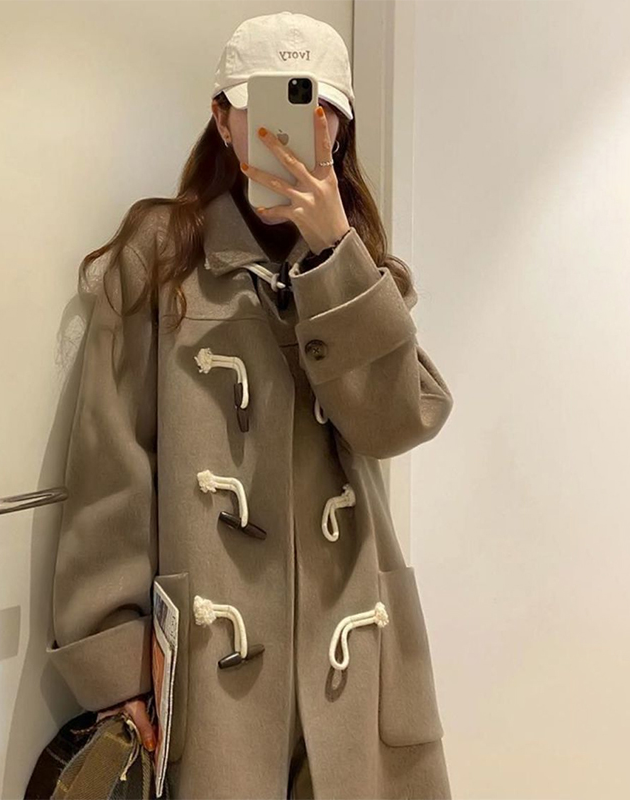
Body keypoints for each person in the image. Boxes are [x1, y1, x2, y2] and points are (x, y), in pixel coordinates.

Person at [46, 11, 454, 799]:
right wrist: (115, 660)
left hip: (351, 652)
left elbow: (399, 422)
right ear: (223, 119)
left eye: (318, 111)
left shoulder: (363, 269)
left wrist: (335, 255)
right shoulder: (161, 259)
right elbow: (111, 468)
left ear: (339, 130)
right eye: (266, 109)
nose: (293, 133)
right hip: (213, 671)